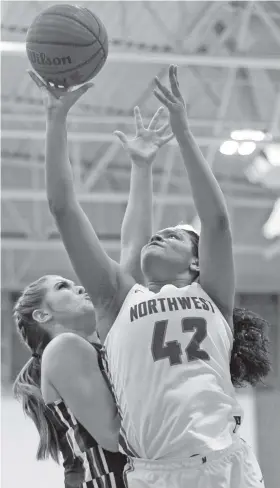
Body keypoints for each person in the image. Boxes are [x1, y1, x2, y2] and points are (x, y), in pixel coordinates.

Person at [30, 65, 269, 487]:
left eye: (173, 235)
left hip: (225, 464)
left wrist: (184, 131)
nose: (157, 234)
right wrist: (56, 119)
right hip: (157, 474)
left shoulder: (212, 294)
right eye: (157, 232)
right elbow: (63, 209)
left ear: (196, 262)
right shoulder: (117, 300)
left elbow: (217, 222)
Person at [13, 84, 172, 488]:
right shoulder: (64, 348)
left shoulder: (102, 339)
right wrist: (56, 119)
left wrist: (141, 166)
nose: (79, 286)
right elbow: (114, 438)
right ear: (42, 314)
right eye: (64, 286)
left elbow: (134, 252)